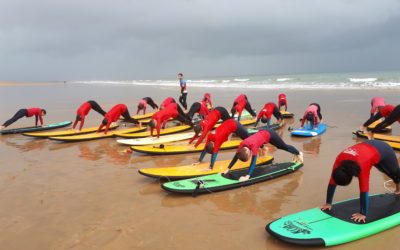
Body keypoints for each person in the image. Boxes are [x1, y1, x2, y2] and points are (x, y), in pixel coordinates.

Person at [321, 140, 400, 223]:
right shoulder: (339, 162)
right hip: (368, 150)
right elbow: (332, 183)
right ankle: (398, 189)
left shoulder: (362, 165)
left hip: (383, 149)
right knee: (383, 169)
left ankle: (398, 189)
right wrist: (328, 203)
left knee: (394, 172)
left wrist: (362, 213)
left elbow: (364, 190)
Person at [224, 129, 303, 181]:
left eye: (249, 156)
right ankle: (295, 154)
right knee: (279, 146)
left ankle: (299, 153)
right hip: (262, 134)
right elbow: (236, 157)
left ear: (248, 152)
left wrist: (248, 176)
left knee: (282, 146)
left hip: (270, 134)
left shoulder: (253, 146)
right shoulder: (241, 145)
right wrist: (228, 169)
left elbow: (253, 162)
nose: (251, 156)